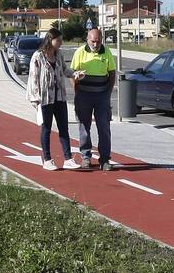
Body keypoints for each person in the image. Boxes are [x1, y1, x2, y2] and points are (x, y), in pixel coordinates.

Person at [26, 29, 79, 171]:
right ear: (50, 40)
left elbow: (65, 70)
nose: (61, 43)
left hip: (59, 97)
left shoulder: (59, 54)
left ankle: (68, 159)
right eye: (59, 40)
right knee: (46, 129)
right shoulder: (38, 56)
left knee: (64, 128)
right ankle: (47, 159)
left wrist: (75, 74)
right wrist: (35, 99)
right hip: (44, 99)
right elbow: (33, 78)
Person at [70, 26, 116, 170]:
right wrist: (76, 89)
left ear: (102, 40)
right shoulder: (80, 52)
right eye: (93, 41)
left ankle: (105, 159)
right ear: (87, 39)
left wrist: (108, 93)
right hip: (83, 95)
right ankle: (86, 156)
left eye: (98, 41)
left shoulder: (106, 52)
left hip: (102, 95)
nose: (96, 45)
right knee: (84, 127)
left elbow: (112, 74)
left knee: (104, 127)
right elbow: (72, 73)